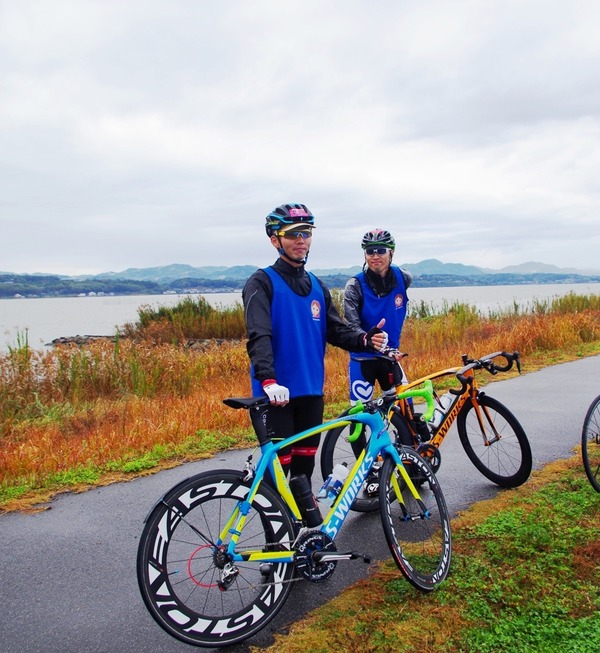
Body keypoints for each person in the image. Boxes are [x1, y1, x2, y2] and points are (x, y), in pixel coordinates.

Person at [243, 203, 388, 482]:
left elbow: (335, 330)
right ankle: (273, 524)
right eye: (293, 233)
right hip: (276, 395)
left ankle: (299, 525)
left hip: (311, 392)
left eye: (306, 232)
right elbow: (259, 335)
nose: (301, 240)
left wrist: (364, 339)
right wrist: (268, 380)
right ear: (275, 240)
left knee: (302, 472)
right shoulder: (261, 282)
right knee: (276, 477)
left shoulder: (316, 285)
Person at [343, 228, 412, 404]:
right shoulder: (354, 285)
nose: (375, 256)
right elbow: (351, 326)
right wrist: (367, 338)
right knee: (360, 419)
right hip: (363, 359)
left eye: (381, 250)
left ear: (391, 252)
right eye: (369, 251)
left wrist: (387, 348)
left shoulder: (403, 278)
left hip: (390, 358)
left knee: (407, 411)